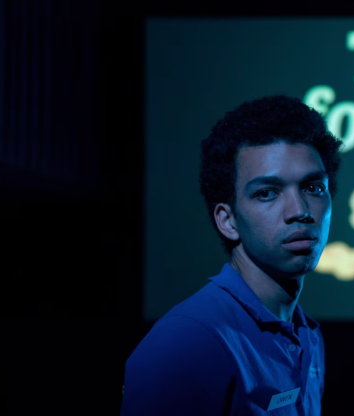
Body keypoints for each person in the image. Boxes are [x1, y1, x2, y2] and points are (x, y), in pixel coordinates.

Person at [120, 95, 342, 415]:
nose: (300, 210)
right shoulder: (187, 341)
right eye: (267, 193)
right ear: (227, 221)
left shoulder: (307, 335)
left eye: (313, 188)